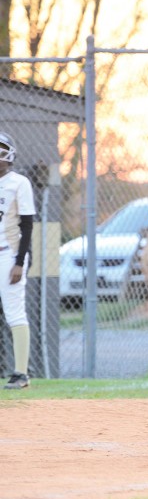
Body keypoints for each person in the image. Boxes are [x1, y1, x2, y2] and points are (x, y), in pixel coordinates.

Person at [0, 133, 36, 390]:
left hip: (8, 254)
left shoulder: (18, 183)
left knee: (14, 312)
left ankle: (21, 373)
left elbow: (27, 225)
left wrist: (20, 262)